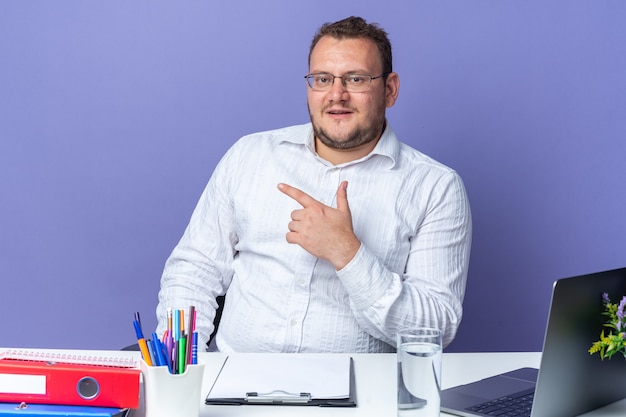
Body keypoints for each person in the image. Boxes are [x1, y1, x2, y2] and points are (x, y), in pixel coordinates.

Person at [156, 16, 472, 353]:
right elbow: (194, 271)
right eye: (322, 79)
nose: (337, 95)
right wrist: (185, 369)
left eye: (356, 78)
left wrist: (347, 253)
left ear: (389, 89)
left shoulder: (436, 187)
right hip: (237, 387)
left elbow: (436, 326)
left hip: (362, 399)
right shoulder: (249, 155)